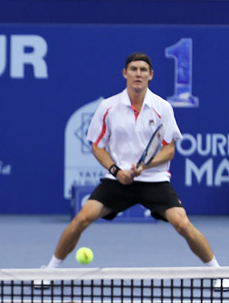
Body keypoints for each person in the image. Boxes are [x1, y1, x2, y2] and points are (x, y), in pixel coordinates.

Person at [44, 52, 220, 272]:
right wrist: (116, 171)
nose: (138, 74)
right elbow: (97, 146)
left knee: (183, 224)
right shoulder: (108, 107)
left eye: (143, 70)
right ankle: (49, 270)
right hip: (117, 181)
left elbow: (169, 149)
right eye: (134, 69)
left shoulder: (162, 107)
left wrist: (144, 167)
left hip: (154, 180)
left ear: (151, 75)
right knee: (82, 218)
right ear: (125, 73)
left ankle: (218, 271)